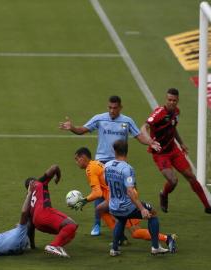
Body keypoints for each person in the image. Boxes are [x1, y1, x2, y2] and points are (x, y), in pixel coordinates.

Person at [59, 95, 161, 236]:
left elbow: (139, 136)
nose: (112, 110)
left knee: (127, 191)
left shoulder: (127, 121)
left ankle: (127, 221)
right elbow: (82, 130)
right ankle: (97, 224)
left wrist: (150, 142)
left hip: (119, 162)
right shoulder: (100, 118)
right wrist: (72, 128)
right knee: (100, 194)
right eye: (110, 108)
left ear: (120, 107)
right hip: (102, 162)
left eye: (115, 108)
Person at [73, 146, 177, 252]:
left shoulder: (90, 169)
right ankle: (120, 239)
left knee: (136, 232)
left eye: (77, 159)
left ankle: (167, 238)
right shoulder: (96, 164)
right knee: (100, 209)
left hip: (125, 199)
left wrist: (84, 200)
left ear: (83, 157)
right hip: (118, 197)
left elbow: (97, 193)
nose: (76, 163)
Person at [140, 88, 211, 217]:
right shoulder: (158, 114)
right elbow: (143, 127)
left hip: (173, 149)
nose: (172, 102)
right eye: (169, 100)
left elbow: (172, 128)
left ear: (177, 100)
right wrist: (150, 141)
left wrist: (181, 143)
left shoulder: (177, 112)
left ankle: (208, 207)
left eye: (174, 100)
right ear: (166, 99)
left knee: (191, 176)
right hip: (160, 153)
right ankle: (164, 194)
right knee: (173, 181)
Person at [104, 140, 169, 256]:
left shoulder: (107, 166)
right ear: (127, 152)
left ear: (115, 151)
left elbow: (106, 182)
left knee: (121, 219)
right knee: (152, 213)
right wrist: (142, 209)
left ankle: (114, 249)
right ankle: (155, 247)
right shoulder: (127, 169)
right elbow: (129, 191)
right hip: (126, 206)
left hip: (113, 206)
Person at [24, 164, 78, 258]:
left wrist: (32, 246)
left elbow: (30, 227)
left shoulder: (28, 199)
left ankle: (58, 246)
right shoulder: (40, 182)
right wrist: (58, 177)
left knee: (70, 232)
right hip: (44, 212)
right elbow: (55, 167)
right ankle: (53, 245)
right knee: (72, 225)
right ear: (34, 182)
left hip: (37, 223)